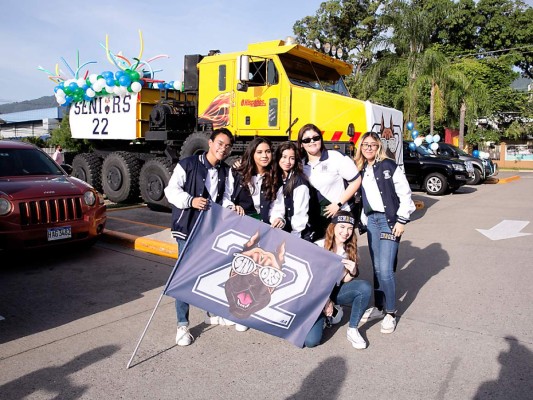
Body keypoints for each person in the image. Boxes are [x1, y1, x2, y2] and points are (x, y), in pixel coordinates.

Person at [164, 128, 247, 347]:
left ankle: (211, 313)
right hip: (187, 229)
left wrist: (232, 207)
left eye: (228, 146)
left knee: (210, 273)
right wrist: (190, 200)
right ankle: (182, 324)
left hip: (211, 231)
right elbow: (171, 191)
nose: (223, 149)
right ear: (210, 143)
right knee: (184, 277)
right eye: (220, 143)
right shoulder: (187, 164)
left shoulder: (226, 171)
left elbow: (226, 197)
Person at [354, 131, 416, 334]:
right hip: (372, 221)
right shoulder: (361, 169)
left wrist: (401, 220)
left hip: (389, 222)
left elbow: (405, 193)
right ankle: (379, 308)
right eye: (365, 145)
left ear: (379, 146)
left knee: (385, 269)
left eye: (372, 144)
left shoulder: (389, 166)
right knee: (376, 268)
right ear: (360, 148)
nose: (369, 148)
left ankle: (390, 312)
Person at [304, 211, 372, 349]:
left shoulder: (350, 249)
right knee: (310, 342)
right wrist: (326, 302)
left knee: (364, 288)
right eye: (341, 226)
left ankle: (352, 329)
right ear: (333, 227)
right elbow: (310, 282)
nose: (345, 232)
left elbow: (344, 280)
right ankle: (328, 314)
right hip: (313, 295)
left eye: (349, 228)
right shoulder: (318, 246)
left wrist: (352, 272)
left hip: (334, 290)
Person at [297, 123, 361, 239]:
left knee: (341, 254)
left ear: (320, 139)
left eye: (315, 138)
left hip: (340, 215)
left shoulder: (336, 157)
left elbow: (356, 181)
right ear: (301, 144)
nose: (312, 142)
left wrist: (338, 204)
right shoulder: (300, 165)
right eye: (306, 140)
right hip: (316, 220)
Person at [224, 137, 284, 228]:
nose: (264, 155)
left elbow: (277, 206)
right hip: (239, 225)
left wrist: (278, 219)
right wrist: (232, 207)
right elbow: (226, 195)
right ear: (252, 154)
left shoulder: (275, 177)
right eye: (259, 152)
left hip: (264, 228)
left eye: (268, 151)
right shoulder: (237, 173)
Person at [271, 141, 316, 239]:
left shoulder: (300, 182)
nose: (287, 162)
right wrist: (278, 218)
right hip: (282, 230)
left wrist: (294, 238)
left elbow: (300, 214)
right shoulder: (276, 176)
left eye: (292, 158)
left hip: (297, 235)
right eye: (284, 157)